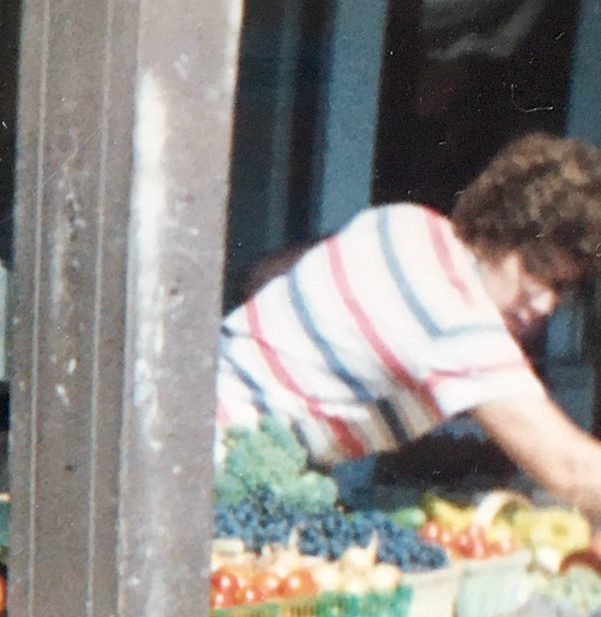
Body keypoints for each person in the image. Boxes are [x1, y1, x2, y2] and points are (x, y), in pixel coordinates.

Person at [217, 133, 601, 519]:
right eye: (535, 269)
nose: (545, 302)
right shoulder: (454, 316)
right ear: (501, 228)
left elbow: (263, 277)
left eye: (562, 286)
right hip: (219, 467)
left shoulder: (405, 223)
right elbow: (569, 468)